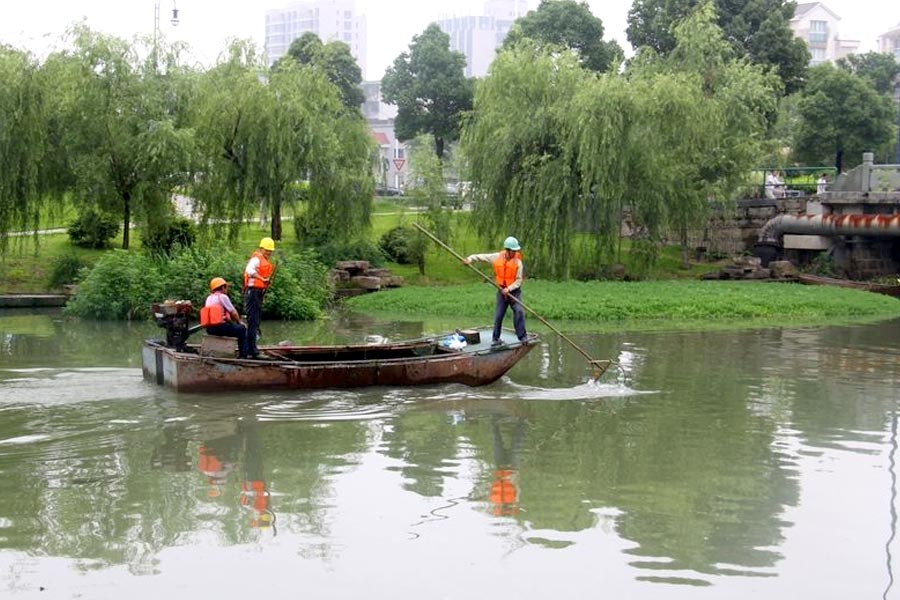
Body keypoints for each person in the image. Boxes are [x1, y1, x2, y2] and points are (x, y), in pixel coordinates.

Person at [463, 236, 527, 345]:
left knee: (519, 311)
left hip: (514, 291)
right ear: (507, 250)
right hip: (501, 291)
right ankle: (496, 339)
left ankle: (522, 337)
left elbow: (519, 280)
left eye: (516, 251)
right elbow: (481, 257)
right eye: (513, 251)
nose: (515, 253)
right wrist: (469, 259)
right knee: (499, 315)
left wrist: (509, 289)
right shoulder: (497, 257)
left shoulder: (518, 263)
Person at [200, 277, 250, 358]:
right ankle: (243, 355)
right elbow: (233, 313)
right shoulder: (223, 297)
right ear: (223, 287)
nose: (226, 289)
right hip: (220, 328)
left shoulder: (209, 298)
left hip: (209, 329)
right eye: (226, 287)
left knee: (232, 327)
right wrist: (239, 322)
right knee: (242, 329)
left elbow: (224, 317)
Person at [243, 237, 276, 359]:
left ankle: (251, 348)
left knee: (256, 321)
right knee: (253, 321)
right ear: (261, 248)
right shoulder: (256, 259)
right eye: (266, 250)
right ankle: (252, 351)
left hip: (257, 293)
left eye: (270, 251)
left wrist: (264, 284)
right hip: (252, 293)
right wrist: (262, 279)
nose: (268, 253)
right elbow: (249, 270)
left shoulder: (265, 262)